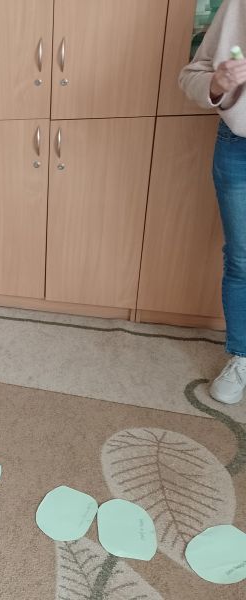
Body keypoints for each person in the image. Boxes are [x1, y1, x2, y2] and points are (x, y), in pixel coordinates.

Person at [180, 0, 246, 404]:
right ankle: (242, 355)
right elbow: (192, 75)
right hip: (239, 147)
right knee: (242, 259)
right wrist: (218, 83)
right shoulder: (238, 7)